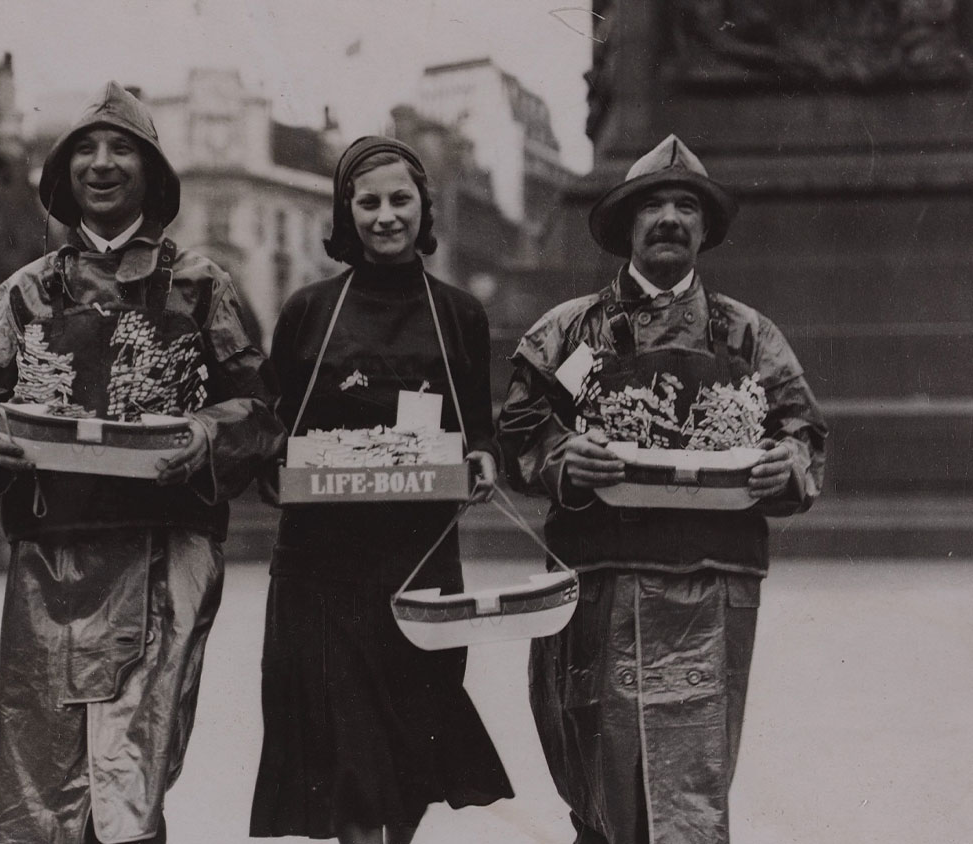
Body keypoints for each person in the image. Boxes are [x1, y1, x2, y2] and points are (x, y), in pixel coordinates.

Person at [0, 81, 284, 844]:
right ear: (62, 179)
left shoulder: (200, 285)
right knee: (42, 784)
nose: (102, 164)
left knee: (131, 779)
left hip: (165, 554)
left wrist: (202, 434)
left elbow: (259, 412)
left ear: (153, 176)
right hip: (51, 561)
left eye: (121, 148)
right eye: (85, 151)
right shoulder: (24, 293)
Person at [496, 135, 827, 844]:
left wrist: (782, 467)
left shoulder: (748, 336)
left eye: (686, 206)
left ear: (706, 229)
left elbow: (804, 433)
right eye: (653, 205)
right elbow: (520, 426)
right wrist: (563, 458)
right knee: (597, 770)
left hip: (710, 580)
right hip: (599, 577)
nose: (670, 218)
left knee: (692, 786)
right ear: (627, 227)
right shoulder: (574, 333)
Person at [248, 136, 514, 844]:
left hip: (419, 557)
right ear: (345, 212)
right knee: (348, 761)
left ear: (424, 207)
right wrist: (276, 467)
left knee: (409, 747)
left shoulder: (460, 313)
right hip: (321, 566)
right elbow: (268, 428)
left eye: (401, 200)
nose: (386, 216)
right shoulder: (309, 309)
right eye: (368, 202)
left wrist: (482, 461)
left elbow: (479, 430)